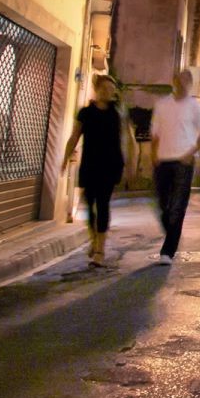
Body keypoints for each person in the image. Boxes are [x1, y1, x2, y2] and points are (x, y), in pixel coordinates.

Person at [65, 74, 134, 267]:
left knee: (103, 204)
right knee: (89, 204)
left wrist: (130, 165)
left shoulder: (118, 113)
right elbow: (74, 136)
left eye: (111, 90)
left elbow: (129, 139)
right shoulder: (85, 113)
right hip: (90, 163)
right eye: (104, 88)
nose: (108, 92)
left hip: (111, 165)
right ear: (97, 89)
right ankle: (94, 238)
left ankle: (100, 250)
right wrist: (65, 157)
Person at [148, 68, 200, 265]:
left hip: (183, 163)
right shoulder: (162, 105)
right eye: (181, 78)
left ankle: (168, 250)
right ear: (174, 80)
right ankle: (173, 233)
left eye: (188, 79)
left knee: (177, 206)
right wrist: (153, 156)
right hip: (163, 161)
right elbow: (155, 134)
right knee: (162, 206)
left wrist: (189, 154)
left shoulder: (196, 107)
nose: (184, 82)